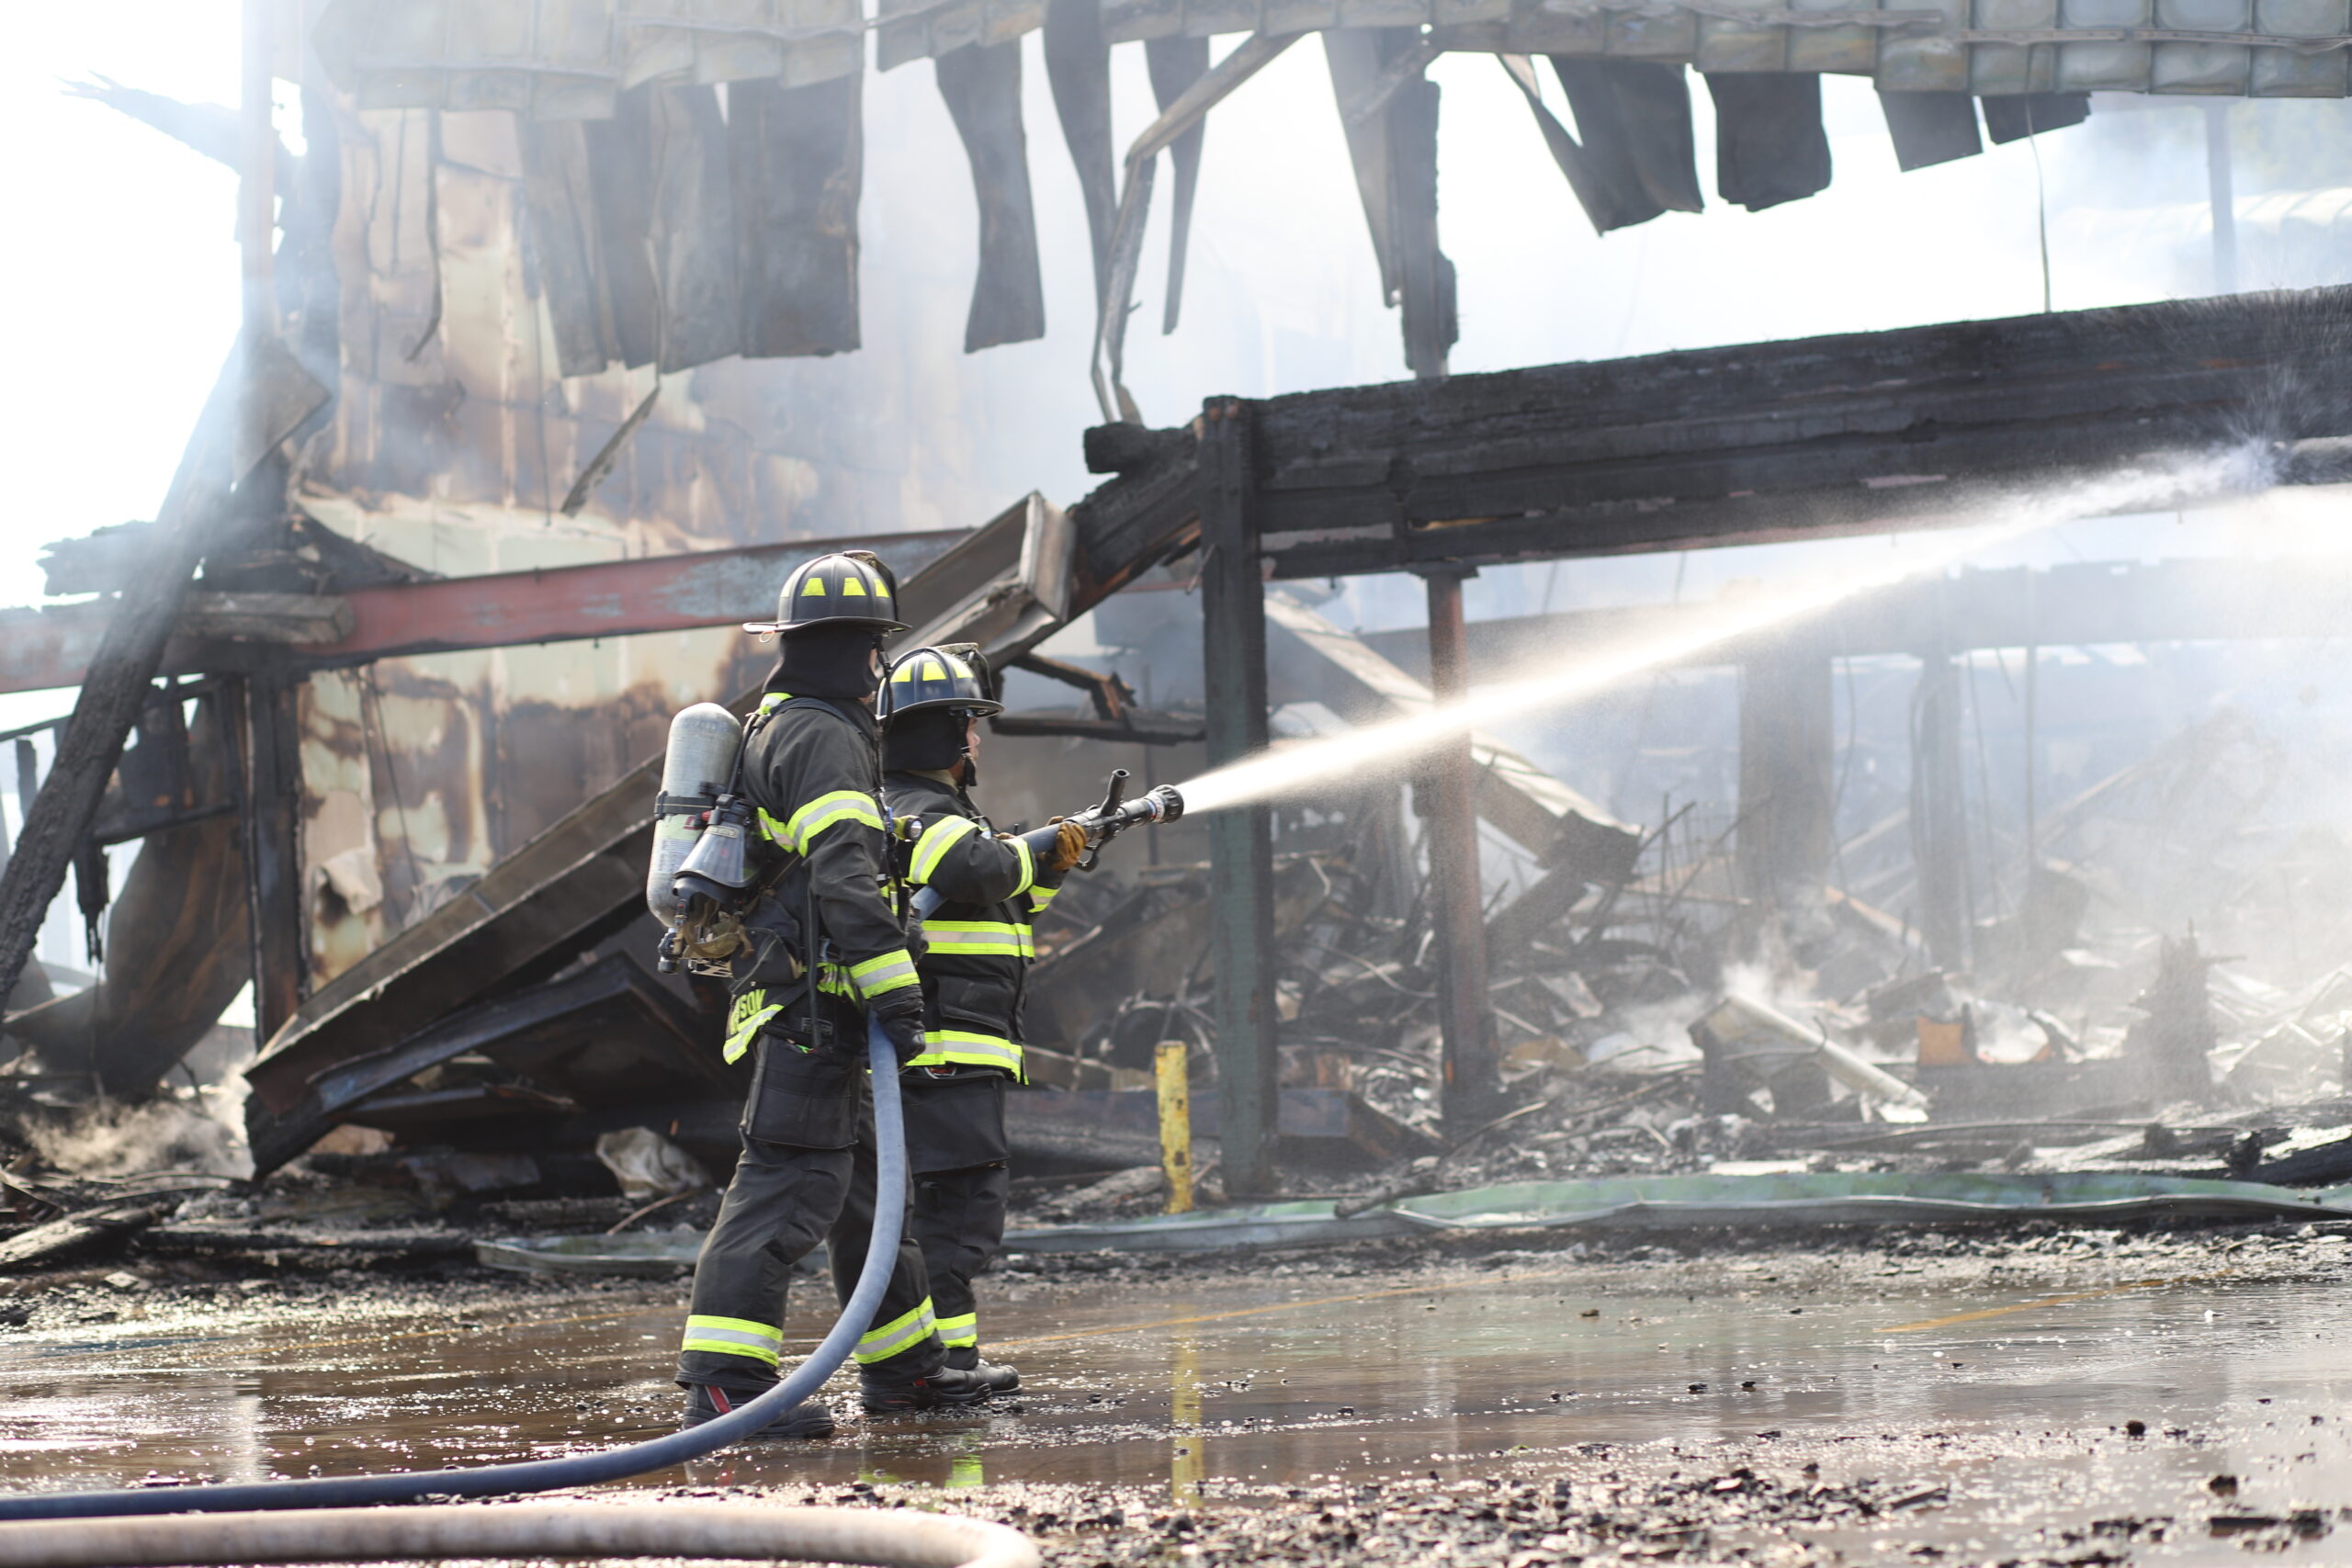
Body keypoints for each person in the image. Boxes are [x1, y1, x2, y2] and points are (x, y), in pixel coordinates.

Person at [674, 551, 991, 1440]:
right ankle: (727, 1386)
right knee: (784, 1189)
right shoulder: (820, 735)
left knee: (864, 1194)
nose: (876, 669)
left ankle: (905, 1371)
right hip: (815, 1007)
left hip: (819, 1006)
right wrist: (898, 992)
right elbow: (848, 878)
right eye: (874, 649)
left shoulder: (791, 723)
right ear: (860, 650)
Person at [878, 643, 1086, 1393]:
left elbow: (1006, 899)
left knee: (959, 1208)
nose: (976, 740)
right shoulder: (911, 809)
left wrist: (1054, 863)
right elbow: (980, 870)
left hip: (963, 1046)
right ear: (941, 733)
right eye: (968, 724)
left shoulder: (941, 812)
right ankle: (935, 1367)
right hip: (942, 1045)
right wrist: (1031, 847)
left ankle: (949, 1360)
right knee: (958, 1208)